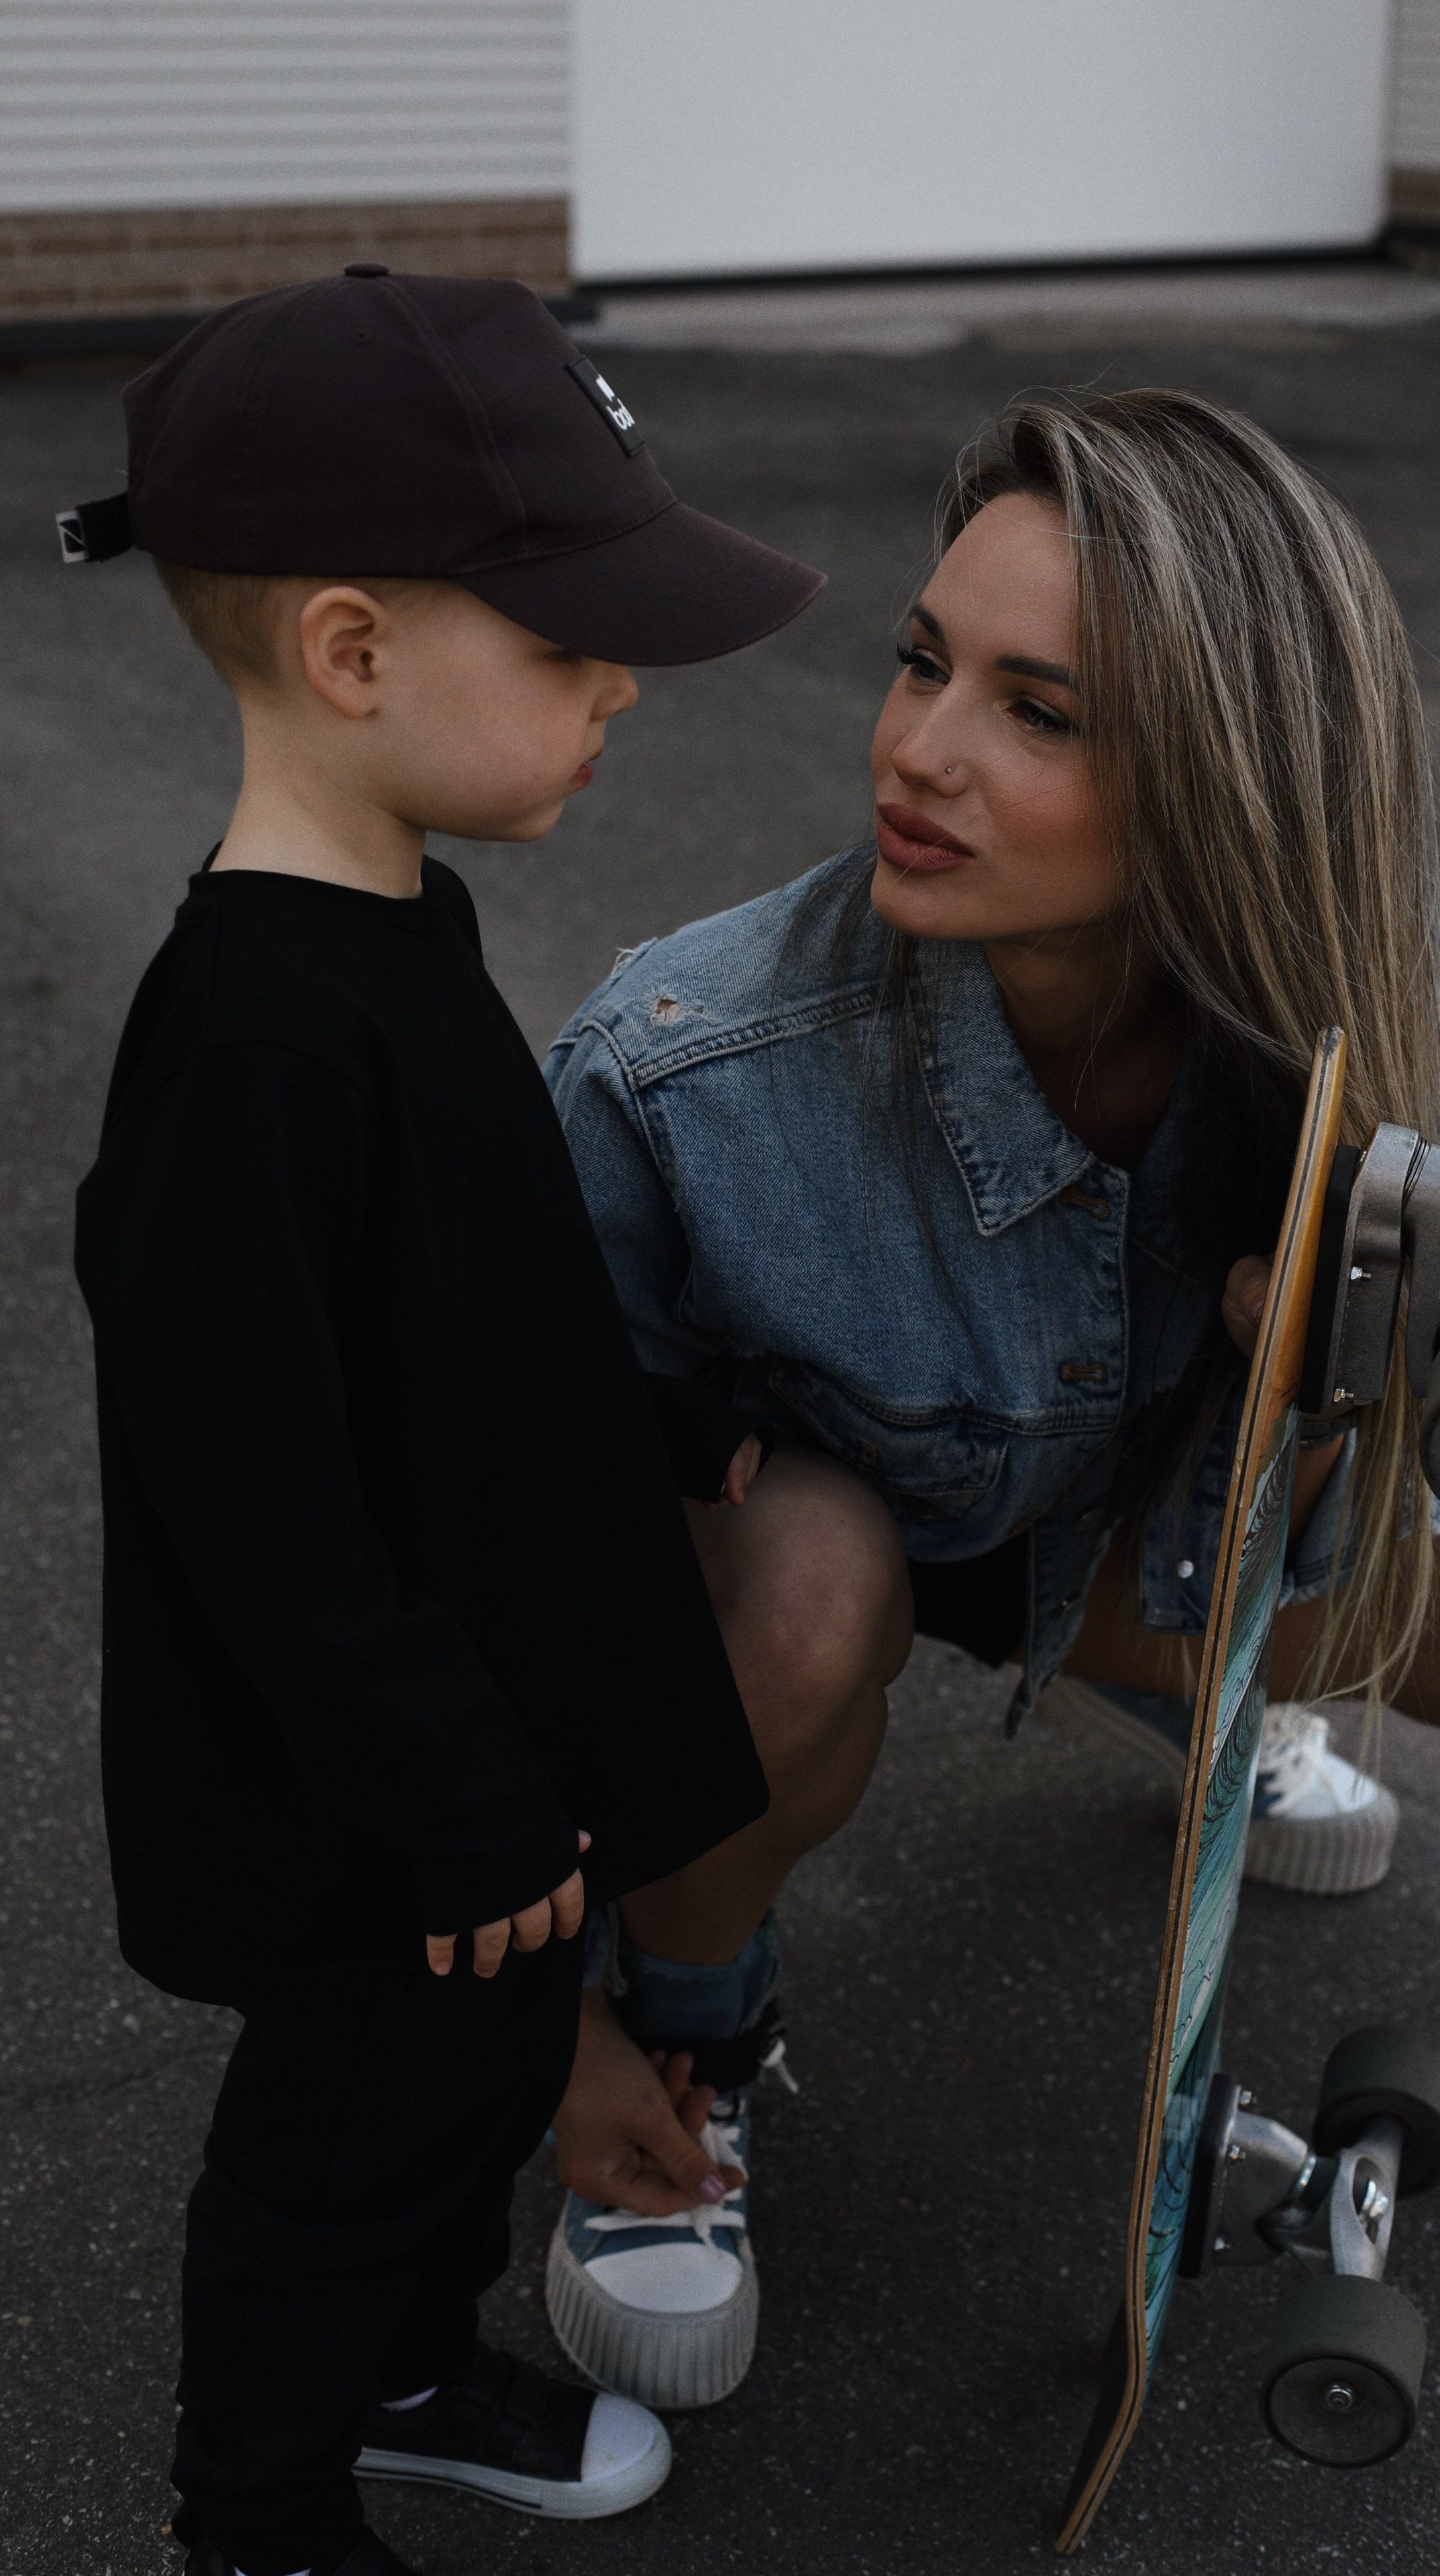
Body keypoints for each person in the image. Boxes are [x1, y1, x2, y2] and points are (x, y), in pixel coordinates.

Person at [542, 388, 1440, 2417]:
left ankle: (1194, 1684)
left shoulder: (1367, 1048)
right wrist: (531, 2008)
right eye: (924, 660)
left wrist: (1321, 1387)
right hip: (824, 1543)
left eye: (1041, 712)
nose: (920, 749)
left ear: (1231, 779)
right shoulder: (682, 1075)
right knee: (811, 1595)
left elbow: (1424, 1479)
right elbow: (513, 1553)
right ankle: (692, 2029)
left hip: (1136, 1521)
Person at [69, 269, 822, 2576]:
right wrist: (459, 1792)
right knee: (342, 2148)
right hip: (371, 1796)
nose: (622, 686)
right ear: (352, 651)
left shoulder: (399, 927)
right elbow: (258, 1491)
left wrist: (647, 1416)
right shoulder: (251, 1046)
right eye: (572, 638)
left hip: (474, 1768)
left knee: (473, 2087)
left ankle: (404, 2375)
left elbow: (453, 1311)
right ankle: (262, 2517)